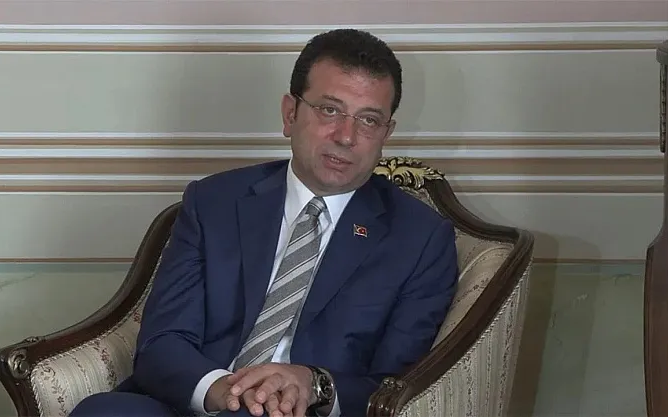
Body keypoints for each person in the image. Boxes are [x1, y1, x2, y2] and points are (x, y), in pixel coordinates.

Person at [69, 28, 458, 417]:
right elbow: (163, 341)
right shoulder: (214, 202)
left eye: (369, 120)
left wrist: (315, 384)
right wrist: (225, 391)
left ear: (386, 134)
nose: (346, 136)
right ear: (290, 114)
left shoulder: (420, 239)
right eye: (329, 110)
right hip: (203, 400)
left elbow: (397, 384)